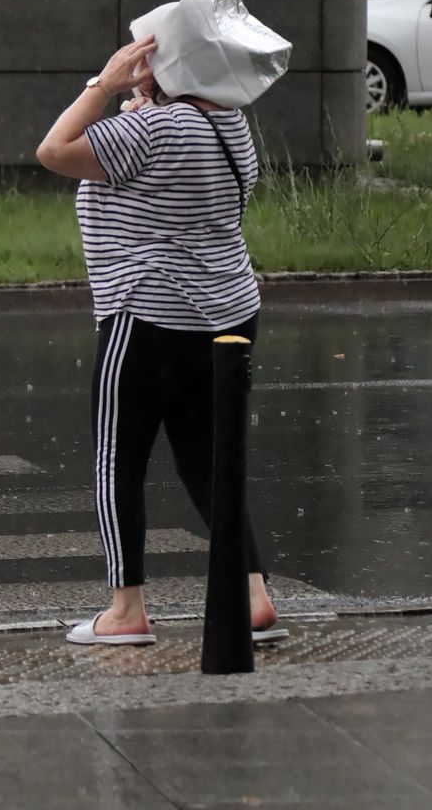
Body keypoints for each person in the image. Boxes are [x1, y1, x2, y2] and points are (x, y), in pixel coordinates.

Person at [36, 35, 287, 647]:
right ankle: (251, 594)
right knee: (208, 460)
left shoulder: (153, 132)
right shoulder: (229, 125)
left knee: (117, 461)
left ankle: (126, 611)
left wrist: (105, 82)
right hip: (228, 311)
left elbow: (53, 150)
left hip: (146, 312)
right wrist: (142, 106)